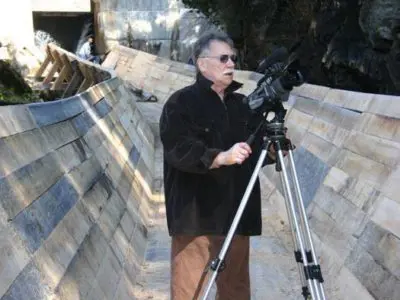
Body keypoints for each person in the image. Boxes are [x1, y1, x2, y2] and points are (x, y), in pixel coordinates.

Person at [159, 30, 282, 300]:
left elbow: (254, 153)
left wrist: (272, 150)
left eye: (233, 58)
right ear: (202, 63)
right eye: (223, 58)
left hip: (236, 217)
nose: (231, 64)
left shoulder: (244, 105)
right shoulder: (180, 103)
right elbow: (179, 149)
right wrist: (219, 157)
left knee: (236, 293)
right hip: (196, 220)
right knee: (188, 293)